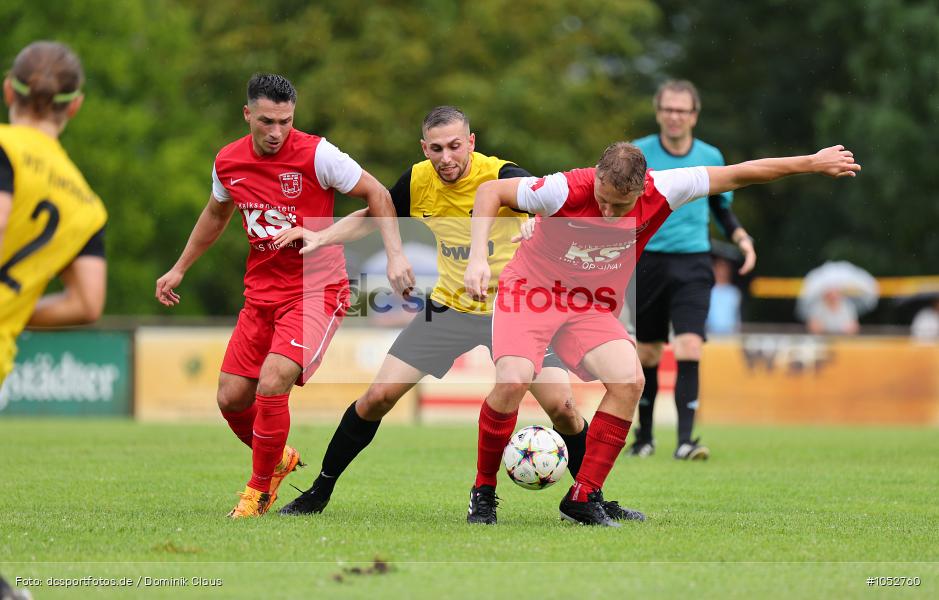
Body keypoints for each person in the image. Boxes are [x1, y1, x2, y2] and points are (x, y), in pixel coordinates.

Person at [464, 142, 859, 526]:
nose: (606, 210)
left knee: (630, 381)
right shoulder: (564, 187)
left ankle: (585, 496)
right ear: (597, 177)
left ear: (643, 188)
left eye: (620, 206)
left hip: (588, 304)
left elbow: (739, 174)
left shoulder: (666, 188)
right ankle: (483, 492)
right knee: (514, 380)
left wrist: (811, 162)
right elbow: (490, 191)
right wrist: (478, 258)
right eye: (602, 198)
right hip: (531, 293)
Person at [275, 106, 629, 522]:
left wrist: (537, 222)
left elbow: (548, 199)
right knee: (376, 398)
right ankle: (320, 490)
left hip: (518, 310)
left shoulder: (502, 174)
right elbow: (375, 215)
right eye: (437, 149)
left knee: (564, 410)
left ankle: (593, 498)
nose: (447, 158)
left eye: (456, 147)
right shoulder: (418, 180)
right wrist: (322, 235)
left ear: (471, 143)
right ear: (425, 148)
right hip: (450, 307)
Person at [154, 73, 414, 519]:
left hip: (317, 290)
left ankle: (258, 491)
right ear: (247, 115)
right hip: (261, 294)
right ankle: (277, 459)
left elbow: (377, 193)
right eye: (267, 121)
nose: (277, 132)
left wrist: (394, 256)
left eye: (286, 122)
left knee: (274, 378)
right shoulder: (228, 162)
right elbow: (216, 214)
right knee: (231, 398)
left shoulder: (319, 154)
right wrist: (179, 268)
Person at [628, 80, 756, 461]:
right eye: (668, 109)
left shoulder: (710, 155)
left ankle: (685, 441)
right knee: (648, 352)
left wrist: (741, 236)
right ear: (658, 112)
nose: (674, 116)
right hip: (646, 260)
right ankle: (645, 438)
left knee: (689, 345)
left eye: (682, 110)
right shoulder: (638, 152)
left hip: (694, 261)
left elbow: (720, 205)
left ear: (694, 115)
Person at [0, 41, 107, 386]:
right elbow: (87, 304)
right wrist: (12, 309)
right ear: (75, 106)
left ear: (8, 91)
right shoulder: (88, 206)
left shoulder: (5, 147)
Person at [706, 253, 742, 335]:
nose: (721, 272)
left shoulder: (734, 292)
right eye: (719, 268)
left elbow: (736, 318)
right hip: (710, 336)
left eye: (724, 269)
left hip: (729, 337)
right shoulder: (706, 290)